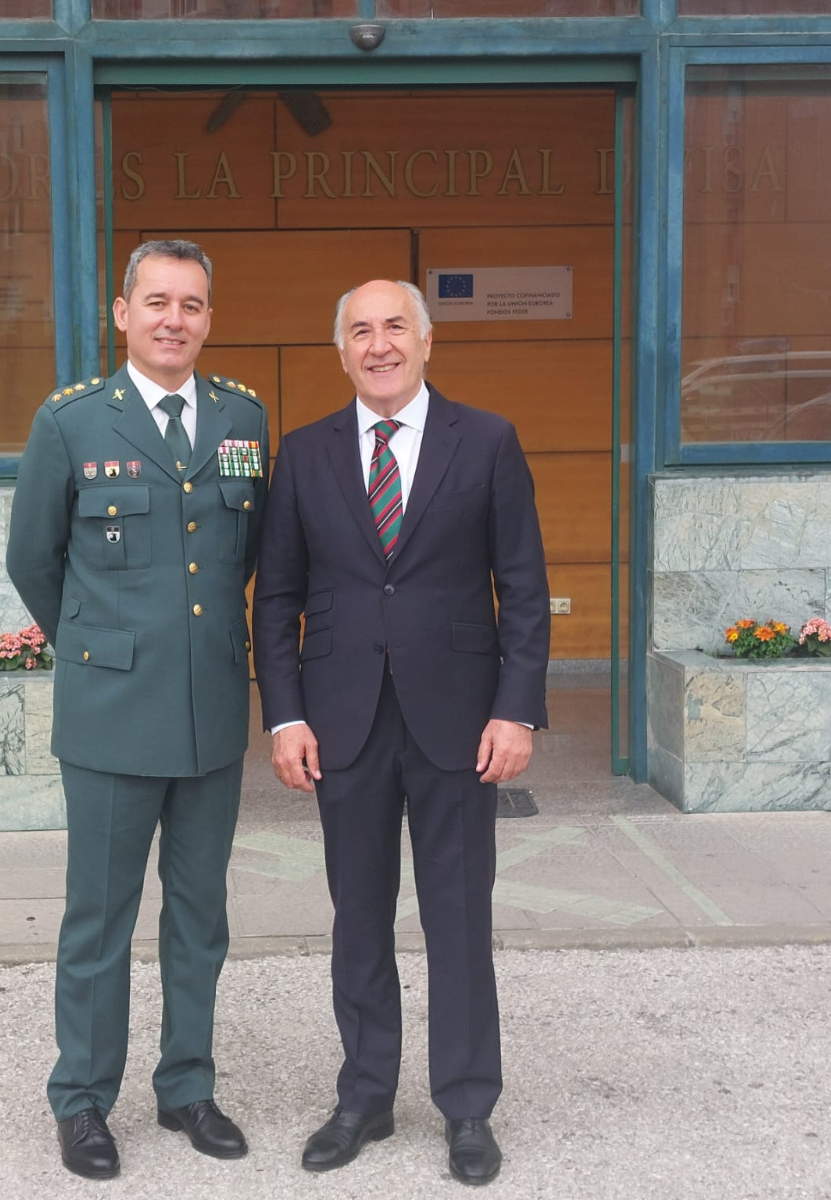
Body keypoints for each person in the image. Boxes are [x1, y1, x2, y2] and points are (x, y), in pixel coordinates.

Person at [251, 279, 550, 1186]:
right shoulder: (305, 454)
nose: (378, 345)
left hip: (460, 722)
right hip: (342, 722)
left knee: (458, 917)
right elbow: (278, 598)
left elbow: (523, 587)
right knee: (359, 919)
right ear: (340, 352)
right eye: (359, 331)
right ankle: (365, 1096)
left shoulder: (487, 441)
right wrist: (285, 715)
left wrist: (516, 708)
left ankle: (468, 1105)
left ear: (426, 343)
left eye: (394, 328)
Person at [6, 239, 269, 1181]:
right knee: (100, 920)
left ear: (208, 318)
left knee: (200, 915)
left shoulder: (243, 417)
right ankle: (82, 1099)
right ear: (123, 314)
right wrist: (99, 645)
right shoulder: (72, 422)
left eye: (191, 304)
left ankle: (187, 1086)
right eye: (156, 301)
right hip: (111, 713)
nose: (173, 319)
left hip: (208, 713)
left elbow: (248, 553)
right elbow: (32, 561)